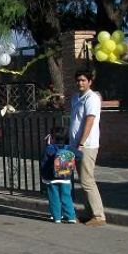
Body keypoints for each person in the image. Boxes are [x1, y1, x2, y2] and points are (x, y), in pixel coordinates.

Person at [69, 69, 106, 226]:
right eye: (78, 80)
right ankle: (89, 212)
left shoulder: (92, 98)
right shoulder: (76, 98)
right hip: (75, 144)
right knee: (82, 180)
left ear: (90, 82)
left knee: (87, 180)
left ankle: (99, 216)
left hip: (87, 145)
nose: (80, 83)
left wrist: (82, 143)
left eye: (83, 80)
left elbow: (90, 120)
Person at [40, 125, 78, 223]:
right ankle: (71, 217)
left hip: (52, 178)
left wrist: (44, 176)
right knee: (66, 196)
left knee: (54, 197)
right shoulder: (69, 148)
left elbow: (44, 162)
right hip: (66, 177)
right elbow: (80, 155)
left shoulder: (49, 149)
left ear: (52, 138)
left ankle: (57, 217)